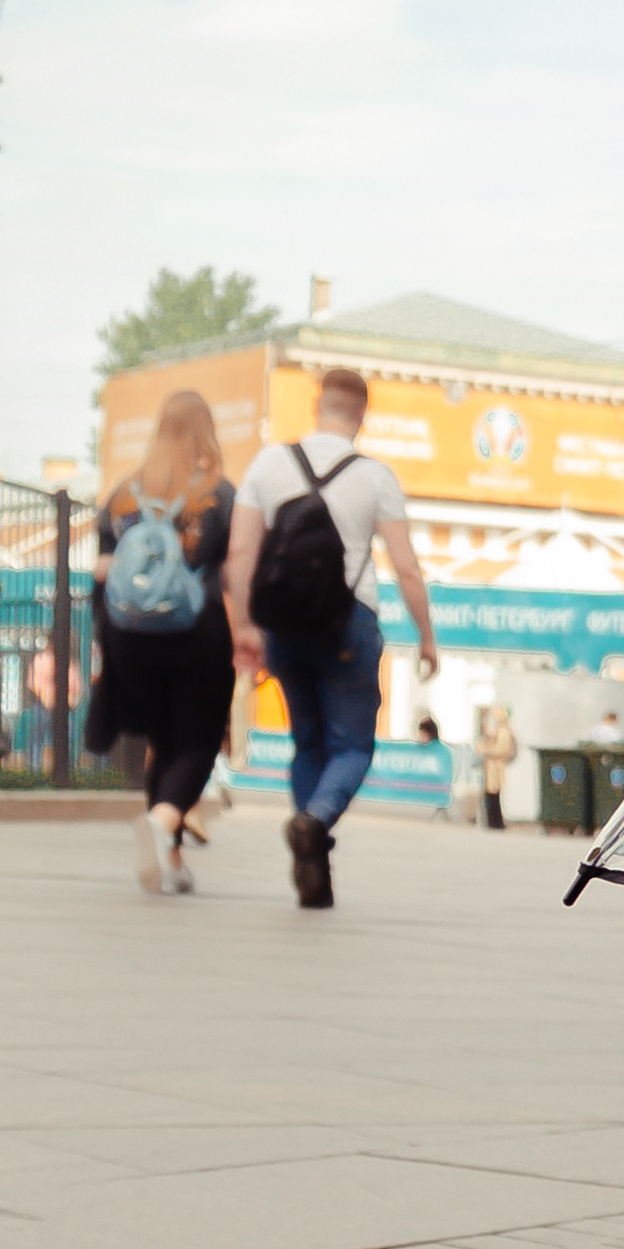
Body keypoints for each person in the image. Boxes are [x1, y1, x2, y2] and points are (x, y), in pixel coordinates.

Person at [224, 365, 439, 911]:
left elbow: (241, 554)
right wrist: (427, 638)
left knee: (309, 743)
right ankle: (315, 821)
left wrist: (244, 627)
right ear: (362, 412)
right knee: (352, 746)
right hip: (349, 622)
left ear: (319, 403)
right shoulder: (375, 476)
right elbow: (406, 568)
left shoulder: (269, 463)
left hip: (283, 627)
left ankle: (313, 861)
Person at [86, 389, 235, 897]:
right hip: (196, 632)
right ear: (205, 434)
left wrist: (105, 642)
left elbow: (102, 570)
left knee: (163, 742)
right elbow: (234, 571)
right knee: (198, 741)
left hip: (130, 636)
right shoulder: (217, 494)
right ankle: (164, 820)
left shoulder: (124, 493)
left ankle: (170, 858)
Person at [478, 697, 518, 831]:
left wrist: (486, 750)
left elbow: (502, 749)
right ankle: (492, 821)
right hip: (491, 767)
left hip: (496, 767)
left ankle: (496, 822)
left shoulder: (504, 731)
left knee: (494, 796)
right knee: (491, 795)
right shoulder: (498, 730)